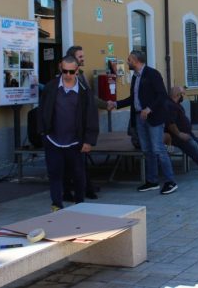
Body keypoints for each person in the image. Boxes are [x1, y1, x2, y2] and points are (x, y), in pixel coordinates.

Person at [107, 51, 177, 195]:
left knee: (158, 149)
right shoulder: (135, 77)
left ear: (137, 60)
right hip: (140, 118)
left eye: (129, 60)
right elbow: (133, 98)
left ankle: (171, 181)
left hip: (154, 117)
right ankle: (152, 181)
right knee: (147, 150)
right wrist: (116, 103)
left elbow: (162, 95)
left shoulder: (153, 74)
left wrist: (149, 108)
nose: (127, 62)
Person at [37, 56, 99, 211]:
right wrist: (43, 133)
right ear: (60, 68)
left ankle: (79, 203)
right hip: (53, 140)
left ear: (77, 70)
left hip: (75, 141)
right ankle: (56, 204)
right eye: (65, 71)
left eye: (72, 71)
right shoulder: (51, 88)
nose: (68, 75)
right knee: (55, 173)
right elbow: (42, 111)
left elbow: (91, 116)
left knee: (78, 174)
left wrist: (88, 140)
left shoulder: (84, 91)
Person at [63, 45, 103, 200]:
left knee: (81, 160)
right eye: (80, 57)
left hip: (81, 126)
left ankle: (86, 187)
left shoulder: (82, 75)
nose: (83, 59)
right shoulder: (67, 78)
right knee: (70, 162)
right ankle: (71, 191)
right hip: (70, 128)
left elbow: (89, 99)